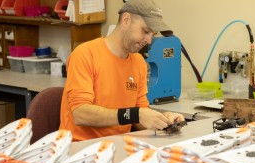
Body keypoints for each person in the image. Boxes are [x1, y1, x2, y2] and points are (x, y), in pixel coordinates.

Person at [59, 0, 185, 141]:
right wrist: (135, 114)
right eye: (146, 31)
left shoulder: (138, 63)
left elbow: (138, 118)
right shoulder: (85, 54)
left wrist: (163, 120)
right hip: (80, 149)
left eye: (152, 34)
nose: (149, 41)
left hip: (119, 146)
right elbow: (80, 114)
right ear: (126, 19)